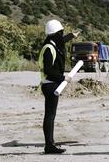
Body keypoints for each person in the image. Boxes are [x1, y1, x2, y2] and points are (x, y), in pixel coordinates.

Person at [38, 19, 79, 154]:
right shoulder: (49, 49)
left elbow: (61, 40)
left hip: (50, 85)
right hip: (50, 86)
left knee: (50, 115)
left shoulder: (51, 43)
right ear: (56, 33)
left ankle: (50, 144)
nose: (62, 35)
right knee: (50, 116)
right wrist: (64, 78)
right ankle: (49, 146)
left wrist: (72, 35)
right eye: (61, 32)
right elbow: (49, 71)